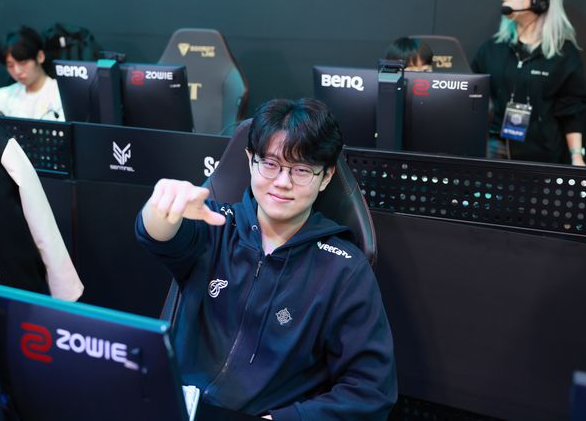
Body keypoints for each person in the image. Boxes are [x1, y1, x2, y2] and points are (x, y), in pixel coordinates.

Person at [136, 98, 397, 420]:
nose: (282, 182)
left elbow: (371, 390)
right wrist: (160, 209)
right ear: (251, 161)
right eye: (270, 164)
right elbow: (157, 235)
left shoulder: (344, 268)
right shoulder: (215, 225)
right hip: (179, 407)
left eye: (301, 170)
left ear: (326, 176)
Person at [471, 0, 586, 165]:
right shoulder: (492, 48)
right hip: (493, 149)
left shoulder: (564, 53)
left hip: (541, 154)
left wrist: (577, 156)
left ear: (539, 1)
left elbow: (572, 108)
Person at [0, 26, 65, 121]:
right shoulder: (5, 95)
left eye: (23, 63)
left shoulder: (61, 94)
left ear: (40, 57)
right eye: (10, 65)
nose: (17, 71)